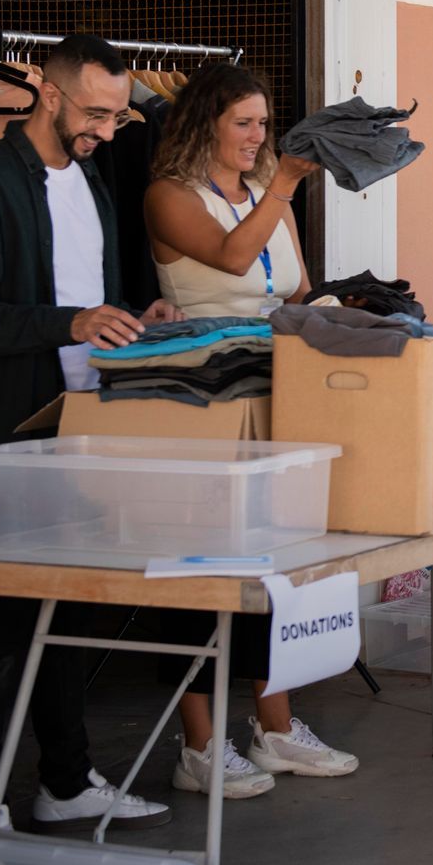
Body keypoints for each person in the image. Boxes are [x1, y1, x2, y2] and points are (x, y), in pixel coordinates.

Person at [0, 34, 178, 837]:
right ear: (46, 89)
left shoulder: (94, 182)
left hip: (77, 426)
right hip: (1, 438)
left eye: (117, 115)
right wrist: (69, 320)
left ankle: (65, 781)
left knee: (68, 611)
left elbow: (86, 298)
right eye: (96, 113)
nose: (108, 130)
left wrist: (132, 319)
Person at [143, 63, 357, 797]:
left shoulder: (269, 199)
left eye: (264, 123)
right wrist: (284, 186)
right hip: (203, 400)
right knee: (201, 567)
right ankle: (199, 743)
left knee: (278, 565)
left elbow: (292, 287)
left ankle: (274, 726)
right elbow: (234, 256)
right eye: (243, 121)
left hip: (274, 393)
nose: (257, 135)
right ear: (205, 121)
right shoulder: (171, 196)